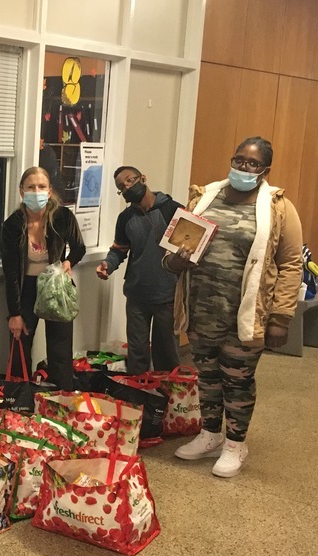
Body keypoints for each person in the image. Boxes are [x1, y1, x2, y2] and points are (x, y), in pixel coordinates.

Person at [166, 137, 302, 477]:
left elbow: (290, 265)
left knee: (238, 380)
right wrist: (175, 263)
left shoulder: (278, 207)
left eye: (252, 163)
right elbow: (174, 248)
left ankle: (235, 444)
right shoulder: (205, 196)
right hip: (200, 308)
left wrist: (282, 318)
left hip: (244, 312)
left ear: (265, 170)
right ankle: (211, 434)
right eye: (238, 160)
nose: (243, 167)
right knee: (208, 377)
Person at [1, 166, 86, 391]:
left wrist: (68, 263)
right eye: (30, 187)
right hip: (26, 289)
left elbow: (79, 248)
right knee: (20, 346)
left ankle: (60, 400)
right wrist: (14, 314)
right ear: (21, 192)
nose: (36, 191)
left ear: (49, 192)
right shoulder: (12, 225)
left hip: (56, 288)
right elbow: (10, 273)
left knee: (60, 350)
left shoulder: (63, 217)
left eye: (41, 187)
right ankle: (21, 400)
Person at [96, 166, 182, 374]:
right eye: (121, 186)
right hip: (137, 296)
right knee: (138, 354)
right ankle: (139, 397)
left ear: (143, 178)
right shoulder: (125, 218)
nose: (126, 187)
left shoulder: (173, 210)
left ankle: (166, 398)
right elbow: (119, 250)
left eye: (129, 180)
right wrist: (108, 264)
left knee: (166, 355)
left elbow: (192, 245)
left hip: (167, 296)